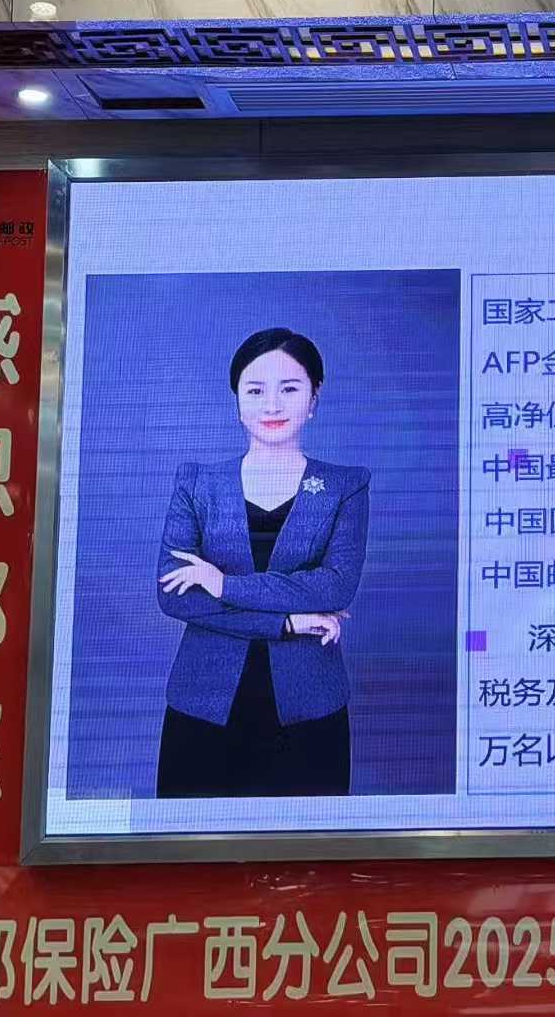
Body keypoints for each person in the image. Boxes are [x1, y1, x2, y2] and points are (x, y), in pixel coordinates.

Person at [154, 328, 369, 798]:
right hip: (203, 704)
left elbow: (335, 586)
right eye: (255, 390)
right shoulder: (197, 483)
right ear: (237, 400)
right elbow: (175, 596)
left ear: (314, 398)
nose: (271, 405)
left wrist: (223, 585)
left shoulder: (345, 486)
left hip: (310, 707)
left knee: (309, 841)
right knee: (192, 839)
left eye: (289, 389)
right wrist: (288, 623)